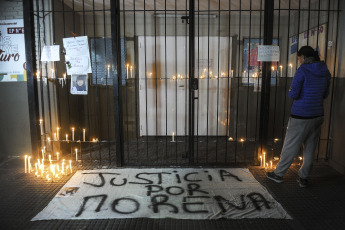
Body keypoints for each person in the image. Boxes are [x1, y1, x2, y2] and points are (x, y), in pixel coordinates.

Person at [266, 46, 331, 187]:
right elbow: (325, 94)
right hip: (317, 115)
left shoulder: (302, 70)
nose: (299, 61)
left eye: (299, 58)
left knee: (290, 145)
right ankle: (303, 177)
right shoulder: (325, 71)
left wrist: (291, 90)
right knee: (310, 147)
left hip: (301, 115)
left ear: (303, 57)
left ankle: (278, 174)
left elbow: (293, 94)